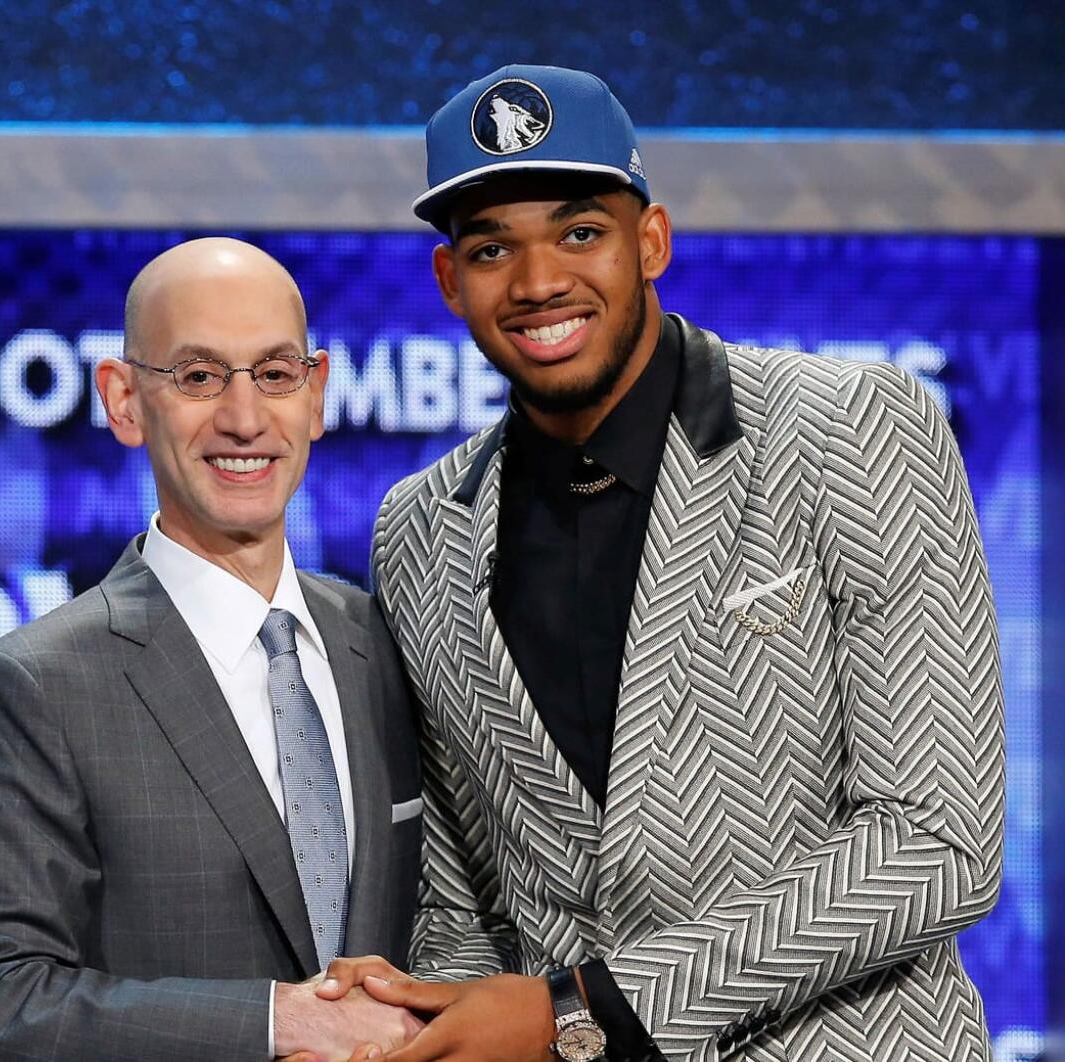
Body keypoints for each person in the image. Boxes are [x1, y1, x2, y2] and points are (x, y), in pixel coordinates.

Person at [321, 65, 1005, 1061]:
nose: (537, 280)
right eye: (489, 248)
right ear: (447, 281)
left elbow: (933, 844)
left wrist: (587, 1007)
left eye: (578, 231)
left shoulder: (847, 428)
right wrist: (444, 1018)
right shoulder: (420, 527)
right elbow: (462, 889)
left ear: (650, 241)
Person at [0, 238, 425, 1062]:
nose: (244, 417)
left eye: (274, 373)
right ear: (124, 401)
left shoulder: (387, 644)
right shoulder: (30, 689)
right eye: (197, 376)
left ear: (318, 392)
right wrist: (280, 1022)